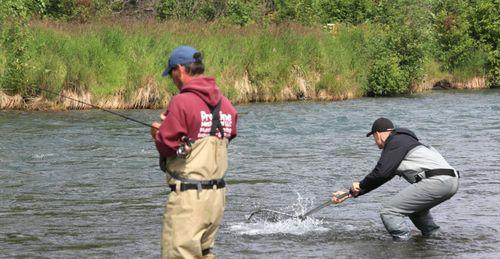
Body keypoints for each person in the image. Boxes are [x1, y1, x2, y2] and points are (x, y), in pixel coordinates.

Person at [150, 45, 238, 258]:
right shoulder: (225, 104)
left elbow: (167, 144)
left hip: (190, 197)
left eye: (171, 73)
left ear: (180, 69)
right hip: (217, 198)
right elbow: (230, 133)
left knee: (178, 254)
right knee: (205, 252)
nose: (172, 79)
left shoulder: (181, 101)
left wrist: (158, 134)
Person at [332, 117, 459, 240]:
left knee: (389, 212)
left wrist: (360, 184)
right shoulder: (405, 141)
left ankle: (402, 245)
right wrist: (349, 193)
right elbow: (383, 176)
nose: (375, 141)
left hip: (437, 182)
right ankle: (435, 239)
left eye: (373, 138)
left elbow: (380, 172)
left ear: (378, 134)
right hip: (450, 181)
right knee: (415, 211)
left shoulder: (395, 141)